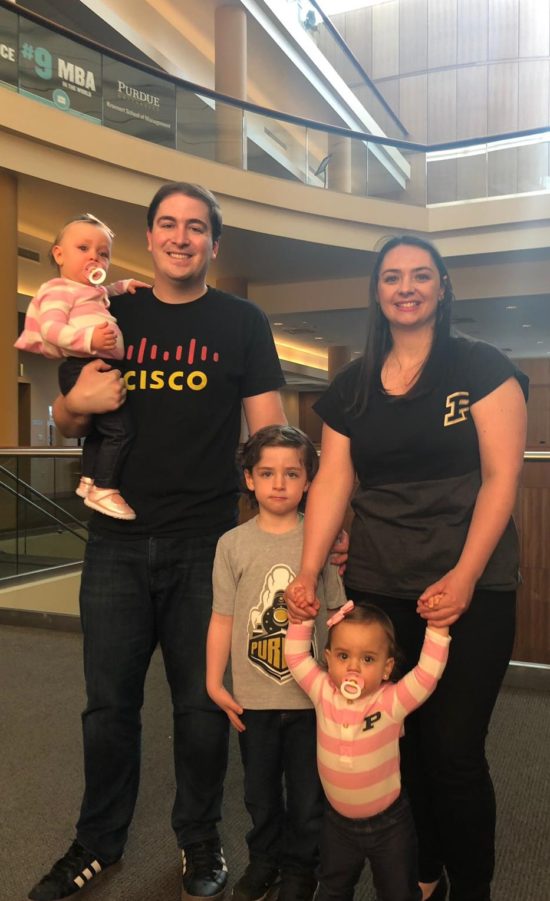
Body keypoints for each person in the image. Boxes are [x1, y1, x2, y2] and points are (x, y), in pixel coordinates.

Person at [27, 182, 288, 901]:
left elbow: (272, 435)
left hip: (209, 544)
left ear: (213, 242)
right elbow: (70, 416)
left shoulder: (241, 321)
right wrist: (70, 403)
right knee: (108, 704)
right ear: (150, 237)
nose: (181, 237)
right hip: (114, 539)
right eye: (168, 225)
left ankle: (198, 837)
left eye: (196, 227)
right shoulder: (110, 309)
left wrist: (291, 528)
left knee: (203, 706)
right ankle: (97, 841)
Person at [284, 235, 528, 901]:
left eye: (422, 275)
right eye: (392, 276)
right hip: (378, 586)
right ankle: (424, 874)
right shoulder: (353, 385)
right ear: (378, 292)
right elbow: (334, 477)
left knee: (453, 751)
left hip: (470, 586)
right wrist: (309, 570)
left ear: (443, 287)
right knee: (400, 745)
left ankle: (471, 885)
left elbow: (502, 478)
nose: (407, 286)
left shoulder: (483, 367)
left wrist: (466, 574)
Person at [206, 425, 347, 901]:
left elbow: (337, 617)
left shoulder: (320, 540)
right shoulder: (232, 545)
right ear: (249, 479)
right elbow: (222, 619)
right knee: (259, 795)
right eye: (267, 473)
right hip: (254, 699)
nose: (279, 483)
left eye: (292, 473)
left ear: (310, 481)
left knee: (308, 798)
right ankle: (264, 860)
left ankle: (300, 870)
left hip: (312, 701)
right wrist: (213, 681)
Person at [286, 601, 450, 901]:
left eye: (368, 659)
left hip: (390, 825)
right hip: (337, 823)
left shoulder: (392, 702)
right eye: (343, 656)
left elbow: (427, 675)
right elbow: (296, 656)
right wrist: (302, 617)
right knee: (332, 887)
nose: (352, 667)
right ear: (328, 659)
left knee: (398, 891)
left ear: (387, 668)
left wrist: (438, 628)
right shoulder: (322, 692)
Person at [14, 213, 146, 520]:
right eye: (83, 248)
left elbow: (107, 291)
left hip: (98, 362)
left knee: (101, 431)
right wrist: (90, 339)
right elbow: (51, 329)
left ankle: (88, 480)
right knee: (121, 430)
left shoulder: (92, 291)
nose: (94, 258)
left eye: (103, 254)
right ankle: (104, 488)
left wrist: (124, 285)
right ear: (59, 254)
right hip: (82, 364)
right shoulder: (58, 289)